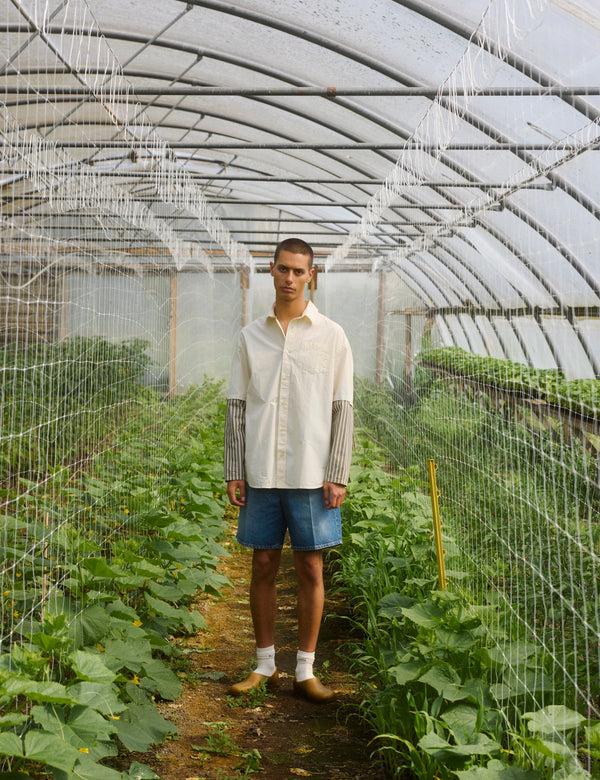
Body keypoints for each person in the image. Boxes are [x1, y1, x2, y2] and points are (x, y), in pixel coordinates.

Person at [223, 237, 354, 703]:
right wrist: (234, 469)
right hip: (261, 469)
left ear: (311, 276)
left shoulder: (332, 336)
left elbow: (342, 408)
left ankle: (305, 670)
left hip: (311, 472)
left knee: (310, 567)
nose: (290, 278)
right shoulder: (250, 337)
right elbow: (237, 406)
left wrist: (337, 472)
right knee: (262, 563)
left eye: (299, 271)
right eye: (283, 269)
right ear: (271, 270)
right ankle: (264, 664)